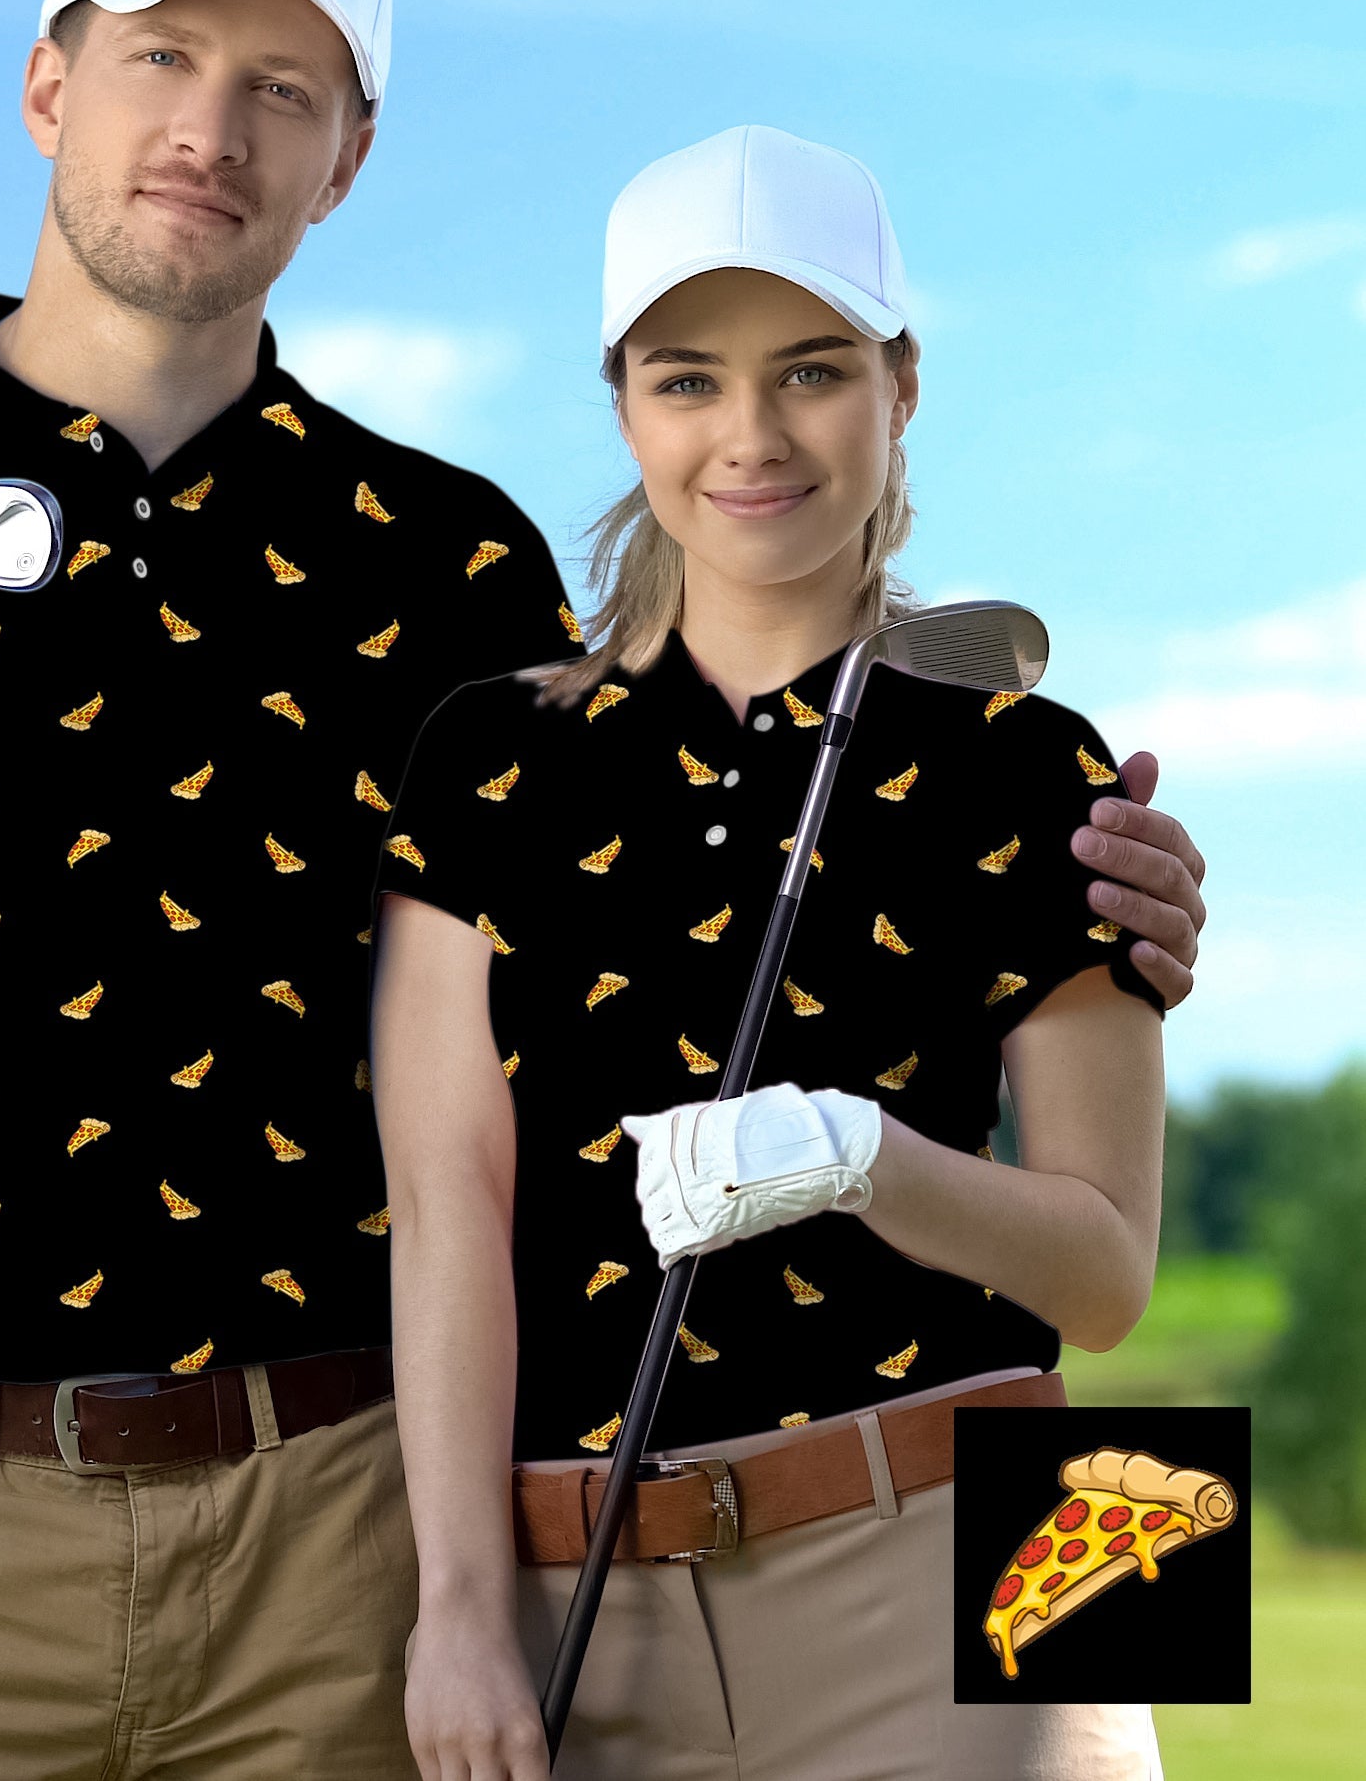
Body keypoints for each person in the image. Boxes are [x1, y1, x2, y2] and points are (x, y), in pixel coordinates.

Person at [0, 0, 1204, 1775]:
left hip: (364, 1522)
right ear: (48, 81)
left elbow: (1063, 1259)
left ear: (348, 158)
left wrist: (1091, 900)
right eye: (161, 60)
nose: (210, 130)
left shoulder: (447, 567)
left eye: (281, 90)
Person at [371, 126, 1184, 1779]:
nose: (749, 436)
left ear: (899, 386)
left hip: (1019, 1527)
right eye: (687, 381)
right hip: (584, 1586)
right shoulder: (483, 759)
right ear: (620, 405)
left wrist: (857, 1157)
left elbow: (1105, 1284)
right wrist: (454, 1605)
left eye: (810, 371)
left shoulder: (1038, 762)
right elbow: (447, 1202)